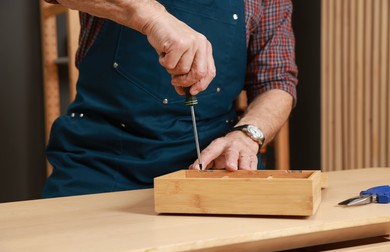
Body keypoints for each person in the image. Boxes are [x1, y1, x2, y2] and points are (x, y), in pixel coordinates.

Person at [42, 0, 298, 198]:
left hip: (214, 168)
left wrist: (246, 136)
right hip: (99, 163)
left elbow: (276, 82)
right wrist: (152, 18)